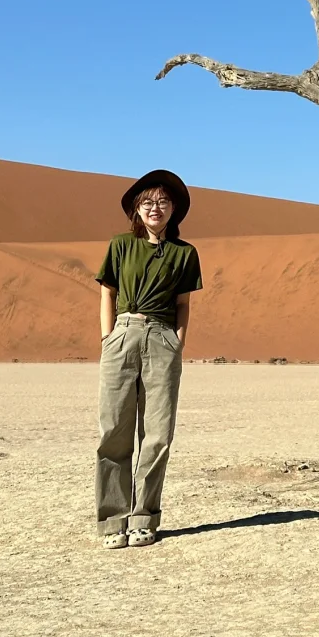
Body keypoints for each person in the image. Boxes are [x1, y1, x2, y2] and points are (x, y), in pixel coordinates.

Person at [94, 168, 203, 549]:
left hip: (162, 338)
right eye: (146, 202)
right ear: (136, 211)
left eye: (162, 202)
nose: (154, 208)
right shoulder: (120, 245)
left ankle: (145, 519)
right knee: (114, 432)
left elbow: (184, 304)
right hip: (122, 336)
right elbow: (107, 291)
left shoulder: (185, 253)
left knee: (157, 435)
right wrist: (109, 337)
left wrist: (178, 341)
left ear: (174, 208)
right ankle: (112, 521)